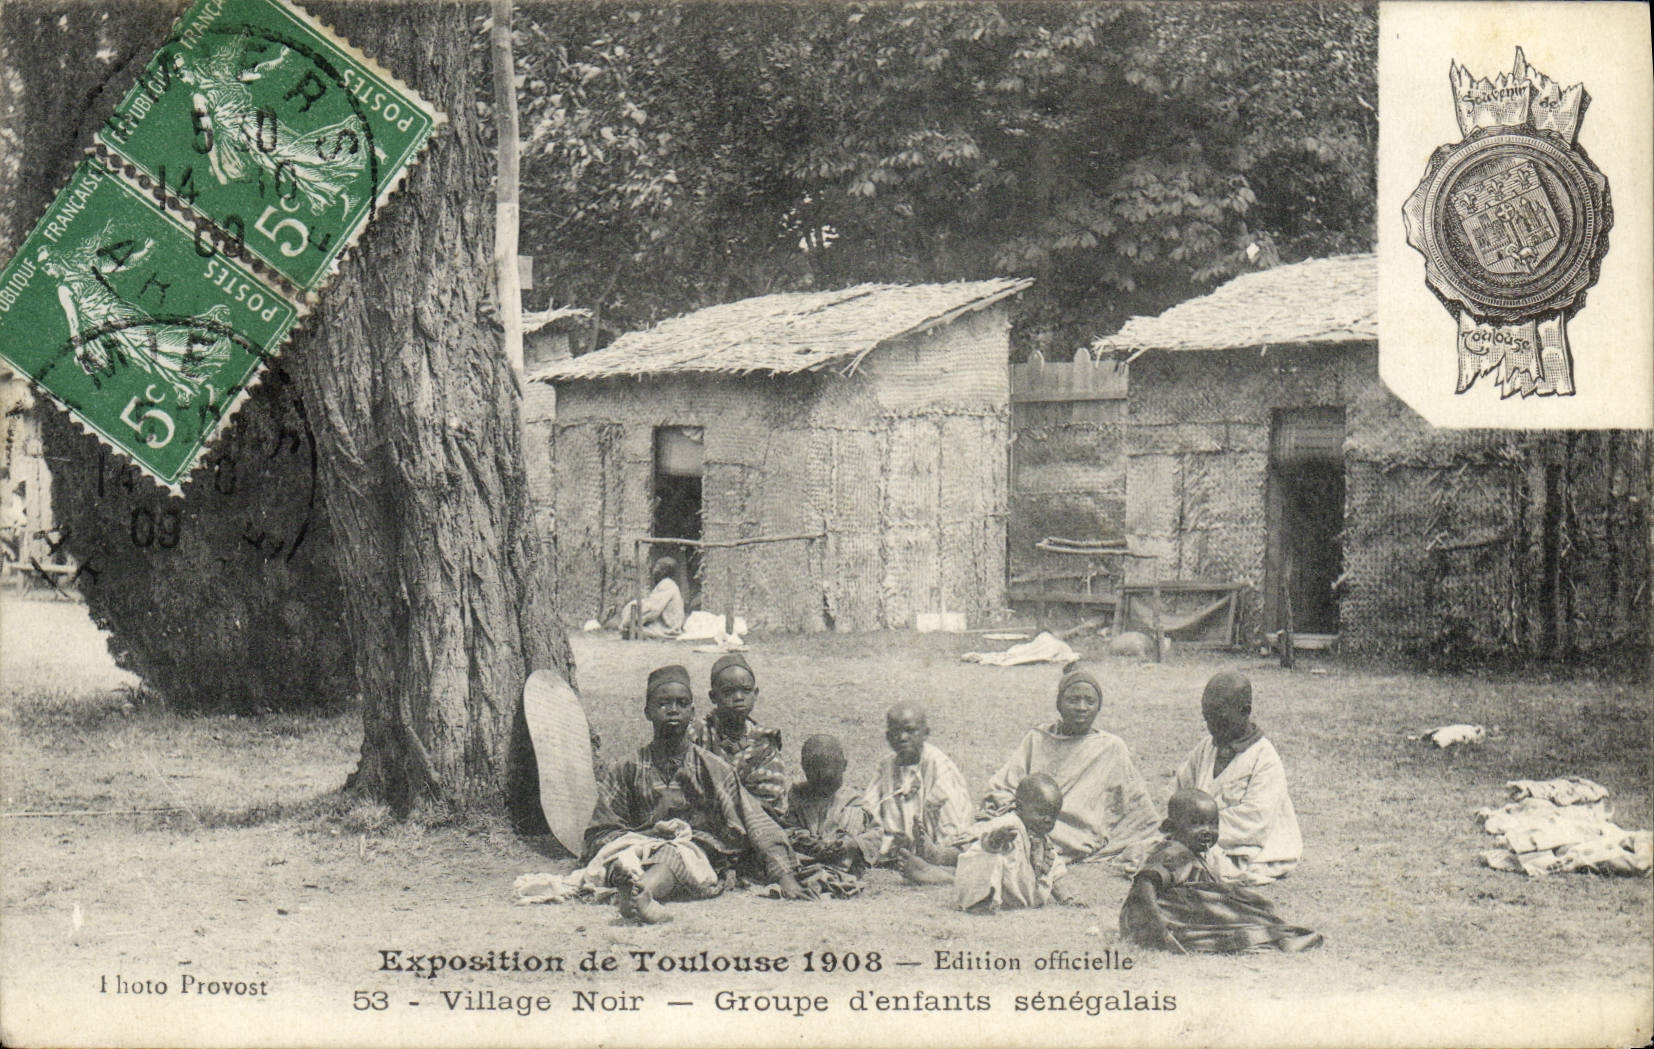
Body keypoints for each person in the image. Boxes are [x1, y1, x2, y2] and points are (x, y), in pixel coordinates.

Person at [583, 665, 810, 923]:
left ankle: (641, 893)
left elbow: (754, 820)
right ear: (647, 712)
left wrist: (785, 876)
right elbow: (600, 831)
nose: (673, 710)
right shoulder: (627, 768)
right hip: (639, 845)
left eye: (682, 703)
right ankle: (630, 884)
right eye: (663, 703)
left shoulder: (713, 768)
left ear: (692, 712)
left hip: (695, 850)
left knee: (675, 855)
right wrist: (645, 837)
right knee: (622, 857)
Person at [977, 663, 1160, 870]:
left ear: (1098, 706)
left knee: (1010, 843)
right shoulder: (1038, 738)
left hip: (1072, 831)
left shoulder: (1110, 747)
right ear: (1059, 704)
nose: (1081, 707)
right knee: (991, 835)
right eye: (1073, 700)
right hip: (1028, 819)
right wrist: (1014, 809)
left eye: (1089, 701)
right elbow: (1004, 785)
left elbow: (1137, 806)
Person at [1120, 789, 1322, 953]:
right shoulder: (1174, 852)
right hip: (1165, 916)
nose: (1207, 831)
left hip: (1182, 914)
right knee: (1234, 917)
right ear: (1170, 827)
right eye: (1197, 824)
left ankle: (1272, 934)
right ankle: (1276, 939)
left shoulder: (1192, 855)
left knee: (1245, 906)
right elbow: (1144, 883)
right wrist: (1157, 925)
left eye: (1213, 823)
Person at [1172, 671, 1302, 884]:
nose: (1212, 728)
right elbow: (1180, 791)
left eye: (1220, 720)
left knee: (1194, 869)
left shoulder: (1264, 758)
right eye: (1207, 719)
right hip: (1197, 839)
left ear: (1245, 711)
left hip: (1246, 847)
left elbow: (1254, 821)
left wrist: (1195, 831)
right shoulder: (1207, 747)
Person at [861, 701, 974, 876]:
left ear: (925, 733)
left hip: (940, 843)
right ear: (888, 737)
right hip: (897, 845)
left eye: (910, 730)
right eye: (896, 732)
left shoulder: (940, 767)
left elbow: (953, 821)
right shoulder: (886, 766)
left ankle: (935, 861)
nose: (903, 737)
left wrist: (934, 847)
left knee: (959, 851)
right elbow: (869, 808)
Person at [956, 773, 1084, 912]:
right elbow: (974, 847)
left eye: (1053, 815)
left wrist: (1067, 897)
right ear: (1021, 807)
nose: (1048, 820)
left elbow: (1055, 872)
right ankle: (982, 901)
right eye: (1041, 812)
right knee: (989, 852)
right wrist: (994, 841)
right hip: (1002, 887)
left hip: (1023, 895)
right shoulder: (1008, 824)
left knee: (1049, 863)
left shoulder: (1041, 837)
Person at [688, 653, 788, 817]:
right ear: (713, 696)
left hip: (754, 823)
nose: (739, 698)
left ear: (755, 694)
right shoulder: (697, 733)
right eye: (728, 692)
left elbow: (770, 798)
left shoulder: (764, 743)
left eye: (746, 691)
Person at [780, 735, 882, 893]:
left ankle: (833, 874)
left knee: (854, 815)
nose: (822, 786)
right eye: (814, 779)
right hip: (807, 855)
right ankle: (815, 875)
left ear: (844, 766)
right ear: (804, 769)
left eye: (829, 780)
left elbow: (876, 834)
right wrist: (806, 840)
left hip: (842, 859)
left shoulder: (852, 800)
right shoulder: (799, 795)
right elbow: (789, 825)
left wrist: (850, 844)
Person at [618, 556, 685, 639]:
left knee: (630, 630)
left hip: (667, 629)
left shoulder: (667, 584)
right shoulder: (667, 584)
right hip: (663, 625)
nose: (653, 571)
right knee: (630, 629)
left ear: (664, 571)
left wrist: (632, 616)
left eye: (656, 568)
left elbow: (654, 609)